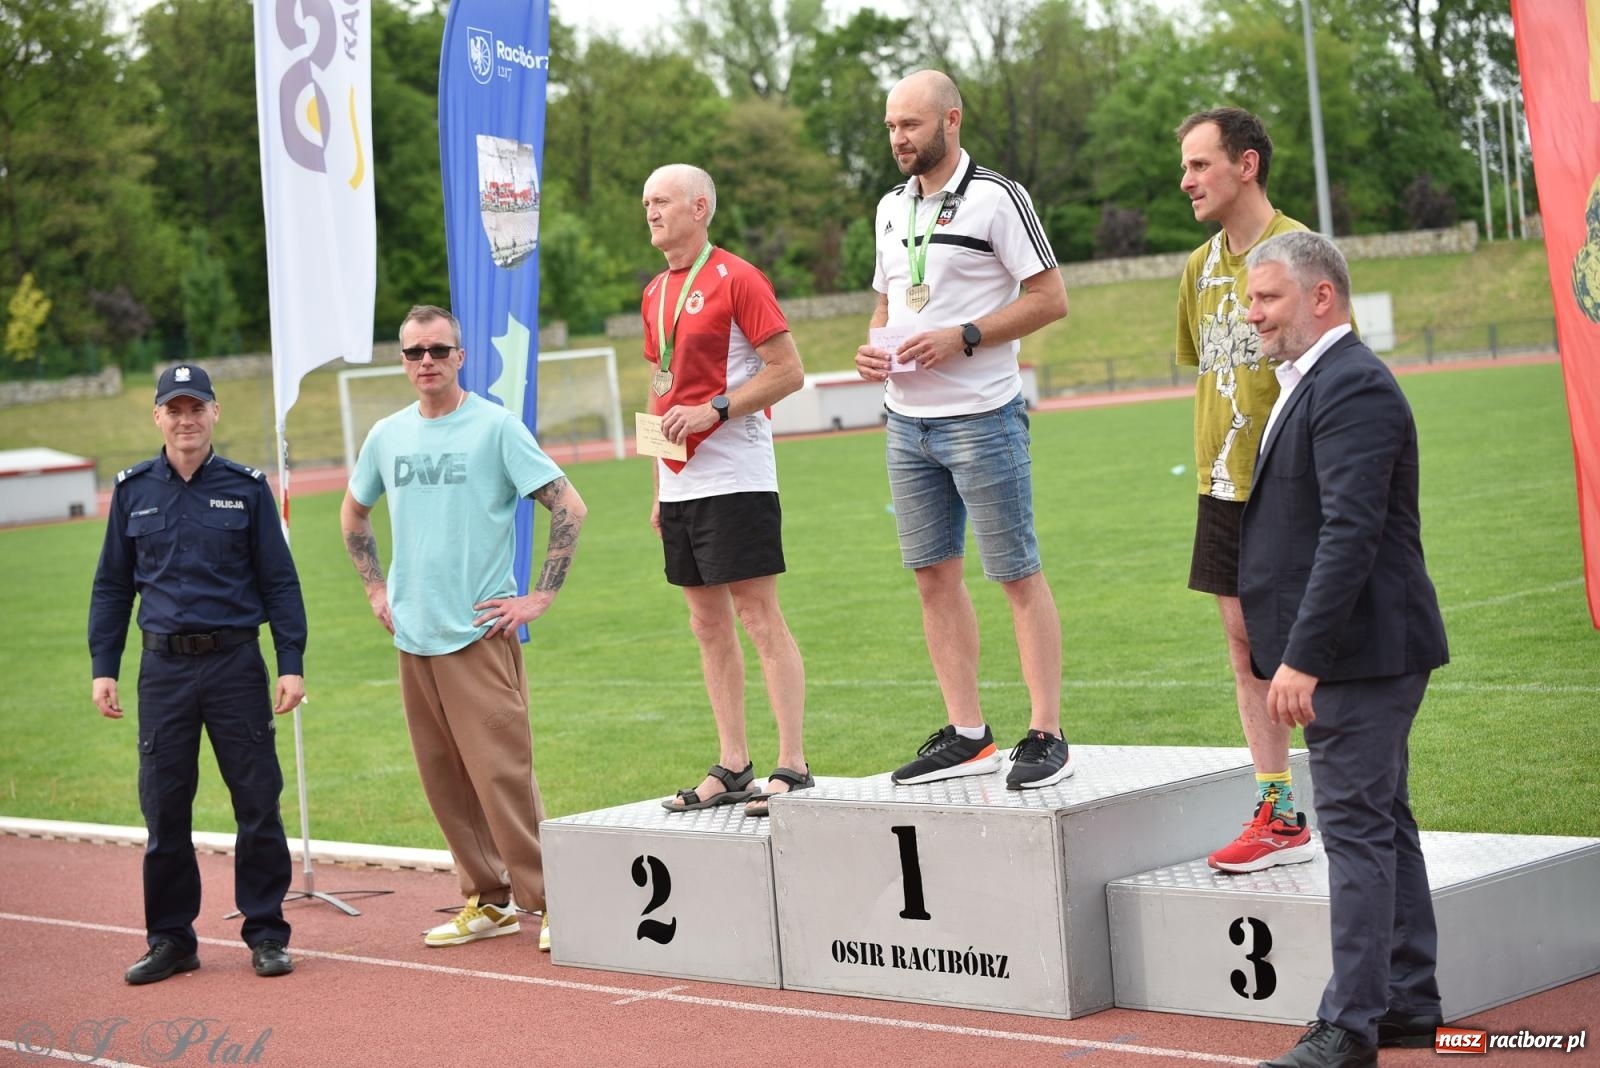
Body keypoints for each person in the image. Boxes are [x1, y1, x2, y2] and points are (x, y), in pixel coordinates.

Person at [1240, 232, 1448, 1067]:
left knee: (1357, 831)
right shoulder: (1313, 381)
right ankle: (1407, 1000)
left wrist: (1304, 656)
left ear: (1320, 297)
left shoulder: (1351, 383)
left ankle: (1350, 1027)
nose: (1252, 315)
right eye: (1250, 300)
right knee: (1383, 821)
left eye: (1268, 299)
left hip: (1362, 653)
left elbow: (1350, 533)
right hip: (1363, 648)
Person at [340, 305, 586, 952]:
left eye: (438, 350)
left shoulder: (495, 427)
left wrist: (539, 596)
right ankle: (488, 898)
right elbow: (354, 513)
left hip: (477, 633)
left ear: (460, 356)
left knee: (504, 777)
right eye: (414, 352)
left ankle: (554, 901)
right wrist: (374, 587)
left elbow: (568, 505)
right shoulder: (387, 435)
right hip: (413, 635)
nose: (426, 361)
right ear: (402, 360)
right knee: (444, 781)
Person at [854, 69, 1072, 790]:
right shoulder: (889, 208)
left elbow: (1050, 298)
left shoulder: (999, 197)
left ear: (951, 121)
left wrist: (965, 335)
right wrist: (874, 348)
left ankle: (1047, 732)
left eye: (910, 125)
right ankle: (969, 733)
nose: (898, 138)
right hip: (905, 423)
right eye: (891, 126)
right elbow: (887, 302)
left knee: (1016, 574)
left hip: (982, 417)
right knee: (932, 578)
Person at [89, 363, 304, 984]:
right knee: (164, 810)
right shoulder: (132, 491)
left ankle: (266, 933)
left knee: (257, 803)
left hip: (236, 665)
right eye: (175, 410)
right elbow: (112, 587)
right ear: (158, 417)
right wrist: (104, 667)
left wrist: (290, 663)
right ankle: (171, 940)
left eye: (197, 408)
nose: (186, 420)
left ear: (215, 413)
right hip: (163, 671)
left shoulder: (247, 488)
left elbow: (280, 582)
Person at [641, 163, 811, 819]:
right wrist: (658, 483)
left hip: (737, 475)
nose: (651, 211)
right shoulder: (654, 292)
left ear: (700, 207)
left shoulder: (739, 278)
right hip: (680, 483)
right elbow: (658, 389)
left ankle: (792, 764)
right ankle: (734, 763)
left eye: (663, 200)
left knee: (758, 617)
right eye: (647, 202)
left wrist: (714, 409)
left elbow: (788, 371)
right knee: (705, 624)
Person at [1174, 108, 1315, 871]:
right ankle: (1279, 809)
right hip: (1221, 486)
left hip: (1290, 484)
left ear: (1247, 164)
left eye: (1200, 165)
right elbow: (1205, 364)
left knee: (1310, 643)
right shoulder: (1198, 269)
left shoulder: (1299, 254)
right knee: (1245, 646)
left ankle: (1356, 797)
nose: (1186, 180)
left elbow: (1331, 372)